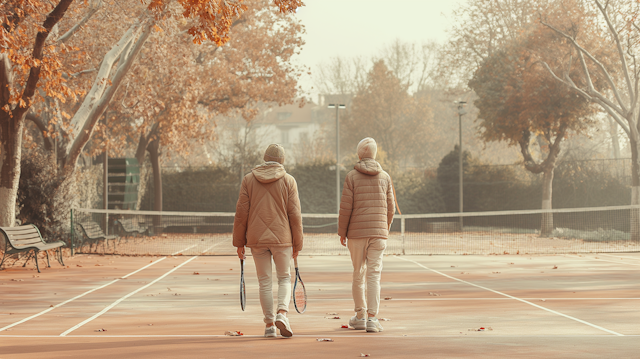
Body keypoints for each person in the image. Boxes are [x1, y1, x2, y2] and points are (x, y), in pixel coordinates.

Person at [233, 144, 303, 338]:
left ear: (265, 158)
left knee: (264, 282)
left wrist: (239, 243)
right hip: (283, 239)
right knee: (284, 278)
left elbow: (241, 214)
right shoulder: (289, 181)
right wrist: (298, 243)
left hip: (256, 239)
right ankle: (282, 313)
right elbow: (295, 215)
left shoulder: (248, 180)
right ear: (282, 160)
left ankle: (269, 325)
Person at [338, 137, 395, 333]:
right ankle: (372, 318)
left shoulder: (351, 177)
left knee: (358, 274)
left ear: (359, 154)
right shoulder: (385, 177)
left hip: (356, 233)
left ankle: (360, 315)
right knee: (374, 275)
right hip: (379, 233)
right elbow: (391, 208)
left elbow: (346, 208)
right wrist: (384, 228)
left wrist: (342, 232)